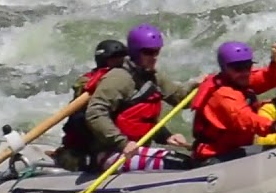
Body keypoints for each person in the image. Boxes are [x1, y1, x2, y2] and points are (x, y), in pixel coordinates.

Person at [78, 24, 194, 173]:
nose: (154, 57)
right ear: (135, 52)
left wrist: (167, 136)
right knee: (179, 163)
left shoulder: (153, 76)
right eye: (148, 52)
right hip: (111, 152)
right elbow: (95, 113)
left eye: (156, 52)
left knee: (189, 160)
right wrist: (122, 143)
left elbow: (180, 99)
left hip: (135, 150)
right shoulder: (119, 78)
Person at [191, 42, 276, 164]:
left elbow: (271, 78)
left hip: (236, 150)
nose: (245, 72)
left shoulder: (241, 80)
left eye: (247, 66)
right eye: (238, 68)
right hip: (214, 158)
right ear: (224, 68)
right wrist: (274, 126)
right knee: (275, 152)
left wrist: (275, 61)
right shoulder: (222, 95)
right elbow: (244, 118)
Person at [52, 39, 129, 171]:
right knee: (80, 119)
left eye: (121, 59)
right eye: (115, 59)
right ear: (103, 60)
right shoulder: (89, 82)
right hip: (84, 144)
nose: (120, 63)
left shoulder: (125, 79)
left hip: (112, 141)